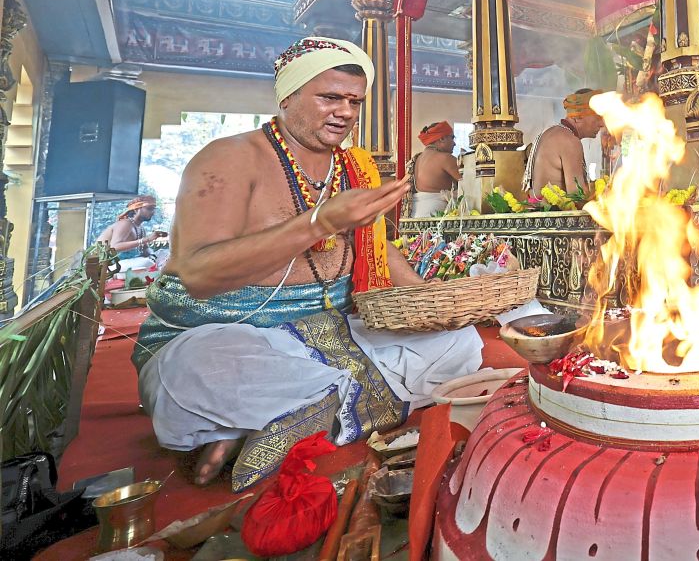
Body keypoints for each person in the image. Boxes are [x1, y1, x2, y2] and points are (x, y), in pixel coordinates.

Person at [132, 37, 535, 492]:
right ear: (287, 96)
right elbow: (199, 274)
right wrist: (321, 221)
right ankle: (305, 412)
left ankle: (278, 419)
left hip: (336, 328)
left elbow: (381, 251)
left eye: (354, 101)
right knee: (195, 370)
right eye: (329, 97)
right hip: (227, 331)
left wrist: (434, 302)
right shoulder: (229, 158)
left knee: (456, 343)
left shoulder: (354, 167)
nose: (345, 112)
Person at [524, 89, 604, 193]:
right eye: (598, 118)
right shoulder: (569, 141)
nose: (602, 124)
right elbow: (577, 195)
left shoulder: (551, 132)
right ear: (578, 117)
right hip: (555, 209)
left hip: (540, 207)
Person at [98, 195, 167, 273]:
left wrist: (153, 255)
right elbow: (114, 247)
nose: (152, 212)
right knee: (147, 263)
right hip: (105, 266)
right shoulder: (125, 224)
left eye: (153, 209)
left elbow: (145, 249)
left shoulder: (141, 228)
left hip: (124, 264)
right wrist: (146, 239)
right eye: (149, 209)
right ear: (136, 209)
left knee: (164, 255)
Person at [410, 120, 461, 217]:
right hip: (435, 214)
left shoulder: (418, 159)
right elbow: (469, 185)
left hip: (416, 213)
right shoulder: (445, 158)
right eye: (452, 137)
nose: (454, 143)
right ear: (442, 138)